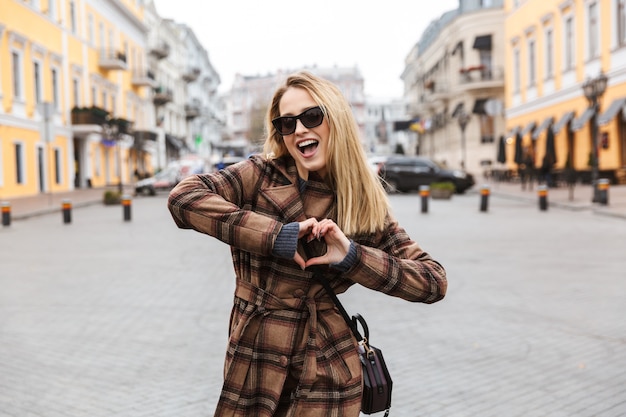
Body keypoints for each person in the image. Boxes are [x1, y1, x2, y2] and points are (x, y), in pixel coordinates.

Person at [167, 71, 447, 416]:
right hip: (256, 359)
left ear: (336, 120)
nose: (299, 129)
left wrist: (352, 256)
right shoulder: (260, 175)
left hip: (327, 370)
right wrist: (277, 236)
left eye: (311, 116)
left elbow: (433, 281)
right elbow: (184, 198)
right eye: (287, 123)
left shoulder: (360, 201)